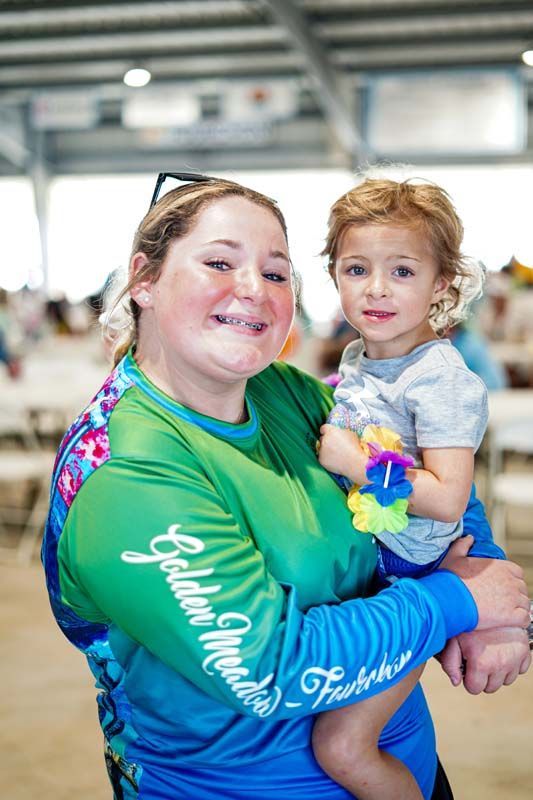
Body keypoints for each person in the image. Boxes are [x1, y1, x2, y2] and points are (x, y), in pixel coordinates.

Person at [42, 173, 530, 800]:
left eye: (275, 273)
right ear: (145, 279)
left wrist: (489, 585)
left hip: (404, 762)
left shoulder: (287, 393)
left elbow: (420, 474)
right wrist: (454, 602)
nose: (253, 289)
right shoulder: (126, 470)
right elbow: (270, 670)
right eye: (220, 261)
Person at [311, 177, 521, 800]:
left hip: (411, 572)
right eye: (356, 268)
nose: (376, 288)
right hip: (377, 558)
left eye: (402, 270)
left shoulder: (440, 379)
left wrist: (354, 461)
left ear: (442, 284)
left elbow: (448, 497)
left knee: (342, 745)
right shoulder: (359, 357)